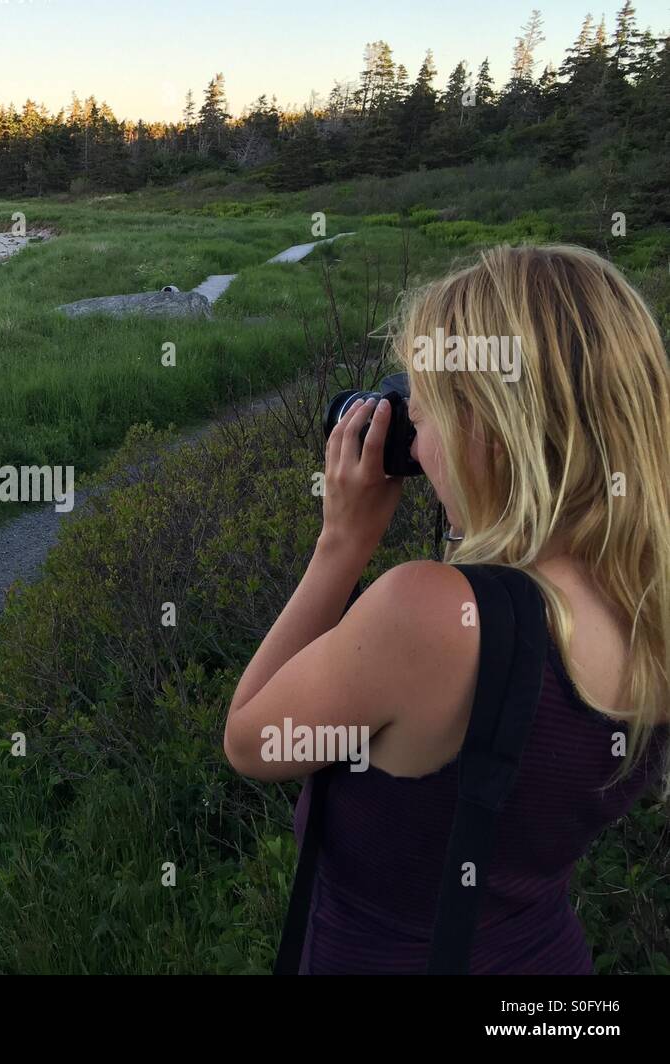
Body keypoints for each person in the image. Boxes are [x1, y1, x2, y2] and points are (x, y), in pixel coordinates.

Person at [223, 244, 670, 974]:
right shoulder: (649, 598)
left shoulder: (432, 616)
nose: (416, 446)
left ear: (490, 431)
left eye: (422, 416)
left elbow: (250, 740)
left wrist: (341, 543)